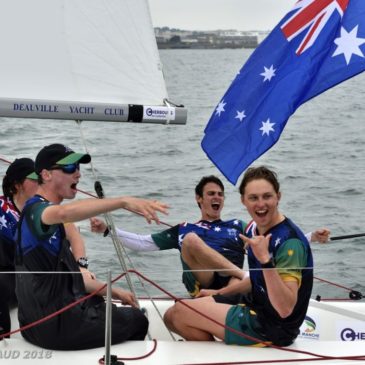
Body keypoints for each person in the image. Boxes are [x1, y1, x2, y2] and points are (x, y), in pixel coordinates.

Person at [15, 143, 168, 350]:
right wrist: (123, 202)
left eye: (78, 167)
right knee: (137, 319)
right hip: (59, 327)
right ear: (46, 174)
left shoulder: (49, 223)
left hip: (36, 325)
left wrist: (116, 292)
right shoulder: (36, 210)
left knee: (109, 307)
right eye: (69, 168)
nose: (77, 174)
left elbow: (70, 276)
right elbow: (63, 214)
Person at [90, 175, 329, 298]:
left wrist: (311, 237)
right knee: (192, 240)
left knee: (242, 279)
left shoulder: (238, 225)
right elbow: (144, 244)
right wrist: (109, 231)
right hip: (204, 280)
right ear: (199, 199)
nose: (217, 198)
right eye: (211, 193)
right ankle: (239, 277)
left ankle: (234, 284)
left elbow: (271, 243)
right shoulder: (184, 228)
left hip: (234, 285)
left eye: (221, 194)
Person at [163, 166, 314, 347]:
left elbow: (285, 309)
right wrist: (220, 292)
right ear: (243, 200)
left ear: (278, 197)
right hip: (255, 303)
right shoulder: (254, 229)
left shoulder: (291, 243)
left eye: (267, 196)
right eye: (253, 198)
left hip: (272, 327)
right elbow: (257, 280)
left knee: (181, 312)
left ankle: (214, 358)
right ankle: (215, 355)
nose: (260, 204)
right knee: (170, 316)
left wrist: (266, 261)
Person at [0, 158, 38, 337]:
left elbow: (71, 233)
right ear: (17, 185)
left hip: (24, 275)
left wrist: (81, 265)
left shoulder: (43, 209)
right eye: (35, 179)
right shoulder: (2, 207)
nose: (41, 182)